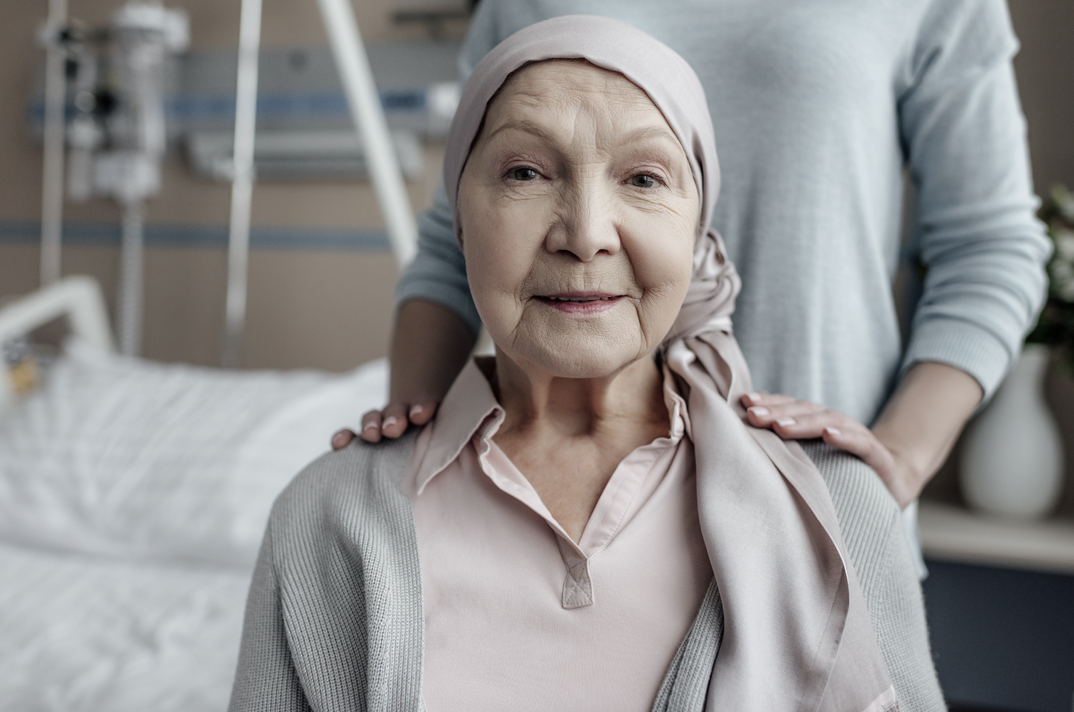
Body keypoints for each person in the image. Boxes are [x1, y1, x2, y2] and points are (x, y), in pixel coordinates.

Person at [231, 17, 943, 711]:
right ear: (458, 222)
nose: (586, 235)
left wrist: (899, 464)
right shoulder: (326, 517)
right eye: (526, 172)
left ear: (696, 236)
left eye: (644, 179)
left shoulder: (839, 510)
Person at [334, 0, 1050, 528]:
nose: (587, 234)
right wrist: (411, 466)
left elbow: (991, 248)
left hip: (814, 518)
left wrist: (895, 465)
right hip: (550, 513)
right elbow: (451, 234)